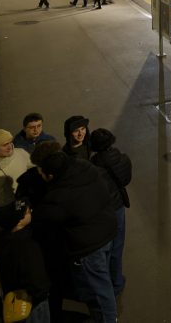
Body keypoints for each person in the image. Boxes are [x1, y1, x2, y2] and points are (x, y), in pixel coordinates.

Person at [33, 151, 118, 323]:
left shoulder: (60, 196)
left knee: (99, 289)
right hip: (107, 230)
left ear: (51, 175)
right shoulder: (85, 168)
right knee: (103, 279)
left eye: (42, 173)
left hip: (89, 246)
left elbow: (46, 216)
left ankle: (107, 319)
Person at [0, 199, 52, 323]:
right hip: (31, 307)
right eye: (27, 212)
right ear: (19, 221)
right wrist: (42, 294)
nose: (31, 211)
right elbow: (37, 281)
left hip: (8, 305)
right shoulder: (27, 246)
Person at [90, 129, 132, 298]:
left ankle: (107, 284)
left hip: (103, 211)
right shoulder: (122, 159)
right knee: (118, 245)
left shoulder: (94, 167)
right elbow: (126, 180)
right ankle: (117, 280)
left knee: (104, 249)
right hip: (119, 206)